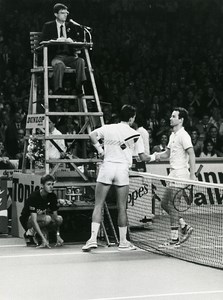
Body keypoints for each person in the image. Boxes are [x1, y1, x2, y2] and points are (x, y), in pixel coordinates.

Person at [82, 105, 156, 252]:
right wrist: (156, 156)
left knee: (98, 205)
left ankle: (92, 240)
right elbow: (143, 157)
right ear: (131, 118)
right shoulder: (135, 134)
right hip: (122, 170)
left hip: (107, 167)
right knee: (122, 207)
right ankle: (123, 242)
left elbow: (92, 136)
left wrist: (101, 150)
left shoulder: (108, 128)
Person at [155, 107, 196, 247]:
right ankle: (184, 226)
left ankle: (174, 239)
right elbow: (166, 154)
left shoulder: (184, 135)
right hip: (172, 175)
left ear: (181, 119)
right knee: (164, 204)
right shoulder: (172, 135)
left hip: (180, 175)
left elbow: (191, 154)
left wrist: (192, 175)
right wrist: (153, 157)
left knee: (172, 206)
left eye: (173, 116)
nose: (170, 118)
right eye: (171, 116)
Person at [41, 3, 87, 96]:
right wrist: (55, 40)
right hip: (56, 56)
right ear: (56, 14)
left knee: (81, 61)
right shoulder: (49, 26)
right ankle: (58, 88)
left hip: (69, 56)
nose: (65, 15)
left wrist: (72, 40)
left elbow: (79, 40)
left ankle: (79, 87)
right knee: (59, 65)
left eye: (66, 13)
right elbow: (42, 41)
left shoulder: (70, 26)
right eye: (62, 13)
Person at [19, 174, 64, 248]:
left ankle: (44, 235)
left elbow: (55, 217)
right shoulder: (34, 197)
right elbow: (33, 220)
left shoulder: (52, 196)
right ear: (42, 185)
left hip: (41, 218)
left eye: (52, 184)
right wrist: (44, 239)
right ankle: (29, 233)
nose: (51, 186)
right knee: (47, 218)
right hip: (27, 220)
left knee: (59, 218)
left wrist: (58, 235)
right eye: (48, 184)